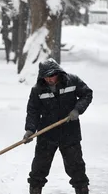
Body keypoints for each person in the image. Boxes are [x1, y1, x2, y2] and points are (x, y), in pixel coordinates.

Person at [23, 58, 93, 194]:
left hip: (70, 132)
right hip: (47, 133)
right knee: (39, 168)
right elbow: (33, 111)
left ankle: (82, 190)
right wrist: (30, 130)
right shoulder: (38, 90)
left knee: (76, 167)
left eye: (52, 76)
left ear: (58, 73)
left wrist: (77, 109)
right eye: (46, 77)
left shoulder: (72, 81)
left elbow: (87, 94)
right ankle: (35, 190)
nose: (49, 79)